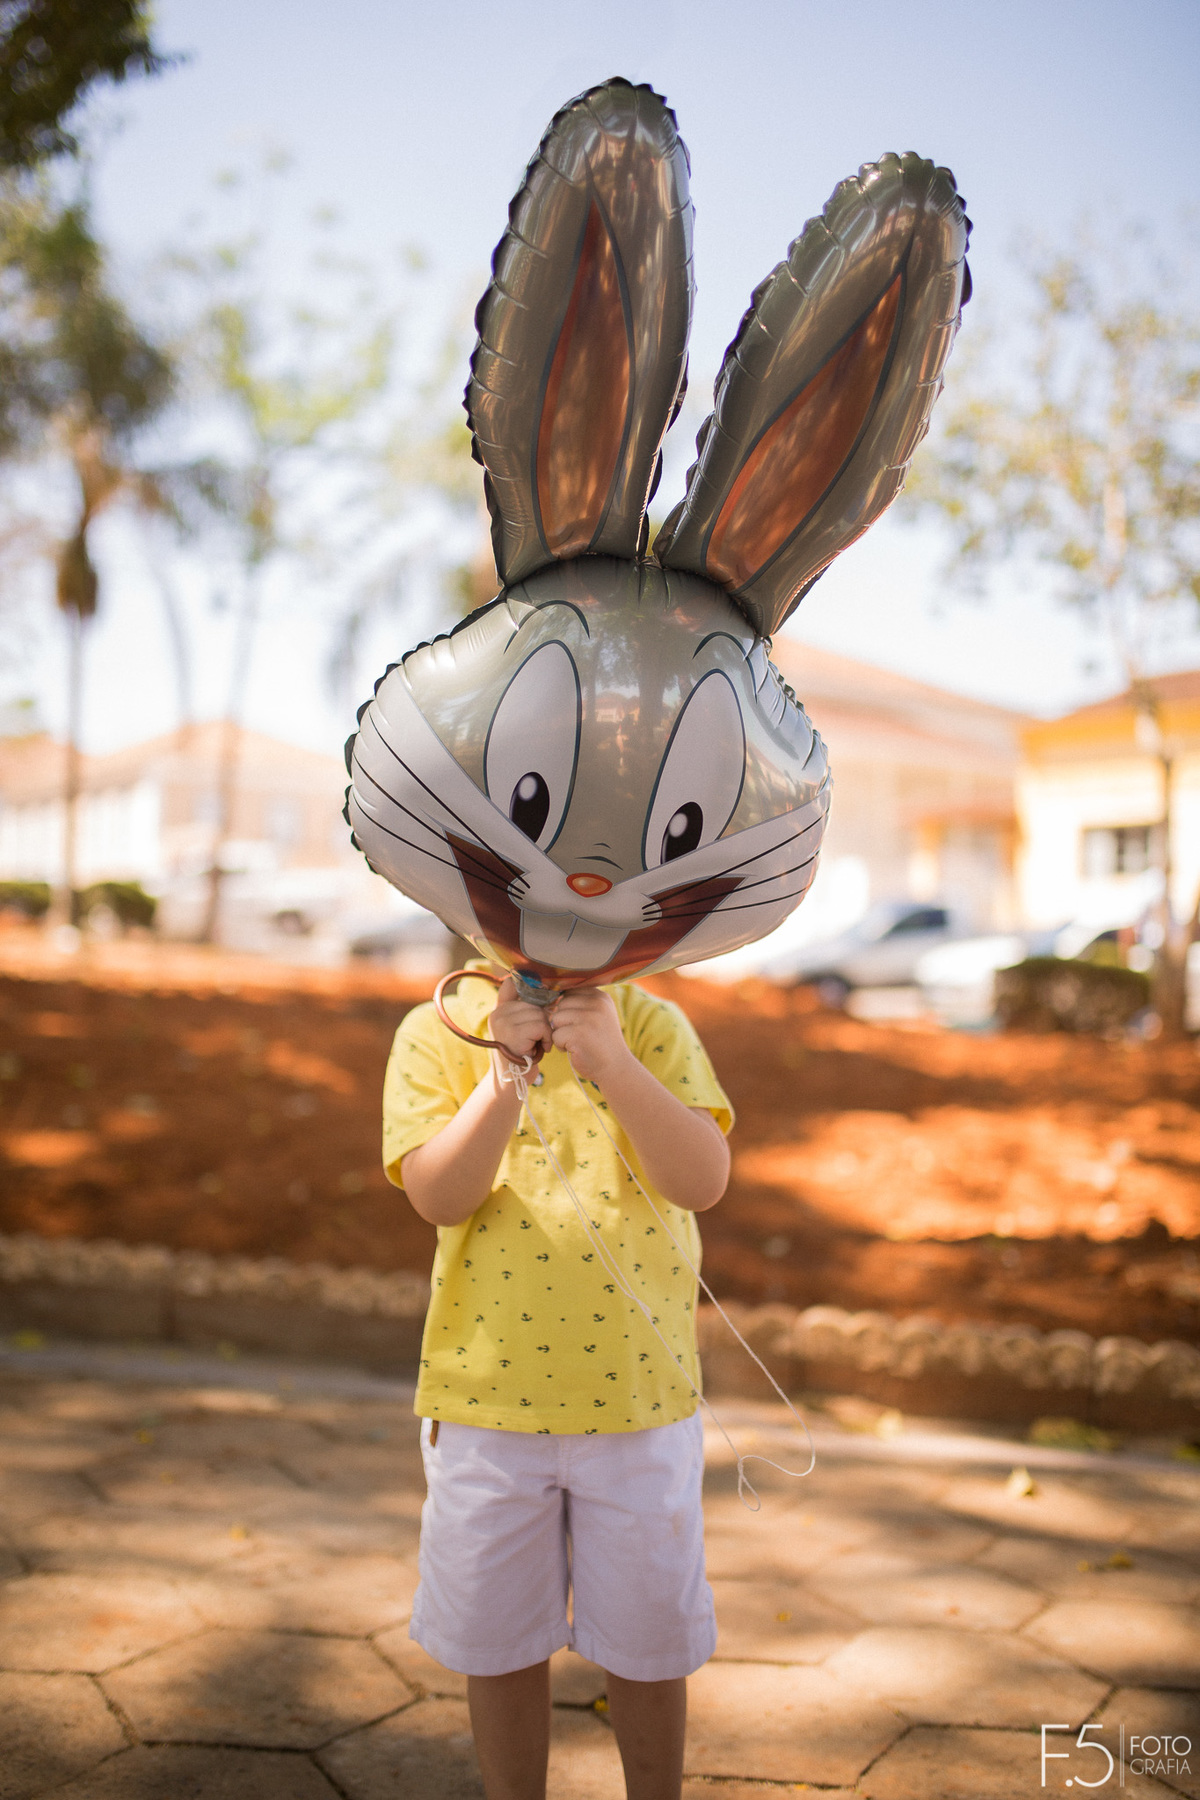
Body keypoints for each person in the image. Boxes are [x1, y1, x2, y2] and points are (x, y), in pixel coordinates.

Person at [383, 965, 733, 1800]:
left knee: (649, 1645)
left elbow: (701, 1181)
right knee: (499, 1643)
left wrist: (615, 1062)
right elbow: (438, 1195)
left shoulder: (650, 1024)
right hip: (487, 1407)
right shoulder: (440, 1027)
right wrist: (503, 1073)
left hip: (639, 1410)